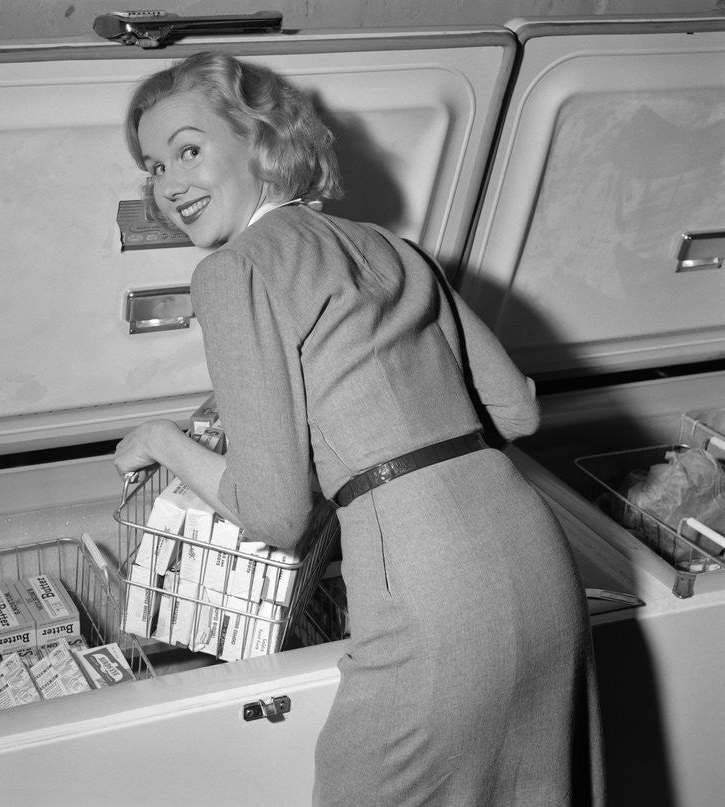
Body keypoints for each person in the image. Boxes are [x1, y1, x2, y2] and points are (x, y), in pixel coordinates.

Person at [114, 51, 604, 806]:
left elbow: (276, 513)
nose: (168, 184)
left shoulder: (233, 271)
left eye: (188, 150)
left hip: (425, 587)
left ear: (261, 142)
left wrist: (159, 440)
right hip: (533, 554)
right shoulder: (387, 245)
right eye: (153, 166)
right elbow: (516, 410)